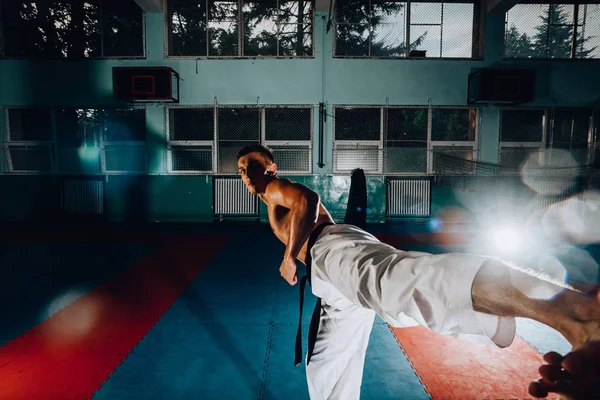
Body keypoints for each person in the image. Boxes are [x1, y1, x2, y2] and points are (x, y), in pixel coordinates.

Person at [235, 144, 600, 400]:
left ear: (271, 167)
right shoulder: (268, 197)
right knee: (328, 363)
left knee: (400, 285)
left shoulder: (276, 188)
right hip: (328, 281)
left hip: (331, 249)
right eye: (240, 169)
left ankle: (576, 311)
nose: (246, 173)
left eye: (253, 164)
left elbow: (307, 201)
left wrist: (287, 257)